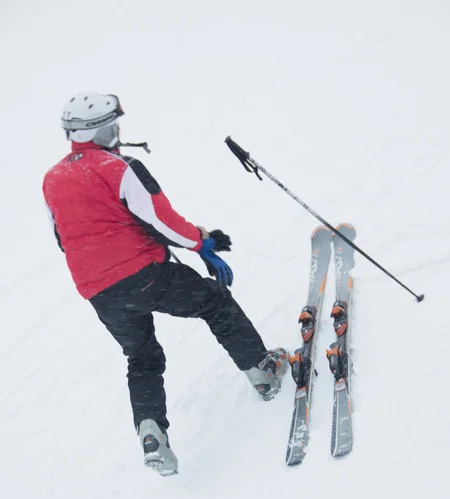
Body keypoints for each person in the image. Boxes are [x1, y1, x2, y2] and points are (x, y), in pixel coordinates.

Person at [43, 92, 288, 476]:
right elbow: (162, 220)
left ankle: (151, 433)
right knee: (214, 302)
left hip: (98, 292)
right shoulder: (119, 168)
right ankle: (262, 372)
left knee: (142, 358)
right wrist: (202, 241)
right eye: (115, 124)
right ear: (103, 129)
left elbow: (63, 239)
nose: (119, 130)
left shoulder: (52, 180)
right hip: (145, 274)